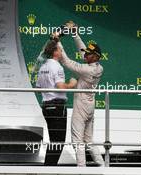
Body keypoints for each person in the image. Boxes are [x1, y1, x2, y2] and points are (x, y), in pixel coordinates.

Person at [54, 21, 105, 167]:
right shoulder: (98, 67)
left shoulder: (87, 70)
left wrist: (58, 42)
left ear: (95, 57)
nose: (85, 55)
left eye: (89, 54)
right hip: (89, 105)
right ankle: (103, 167)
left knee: (77, 140)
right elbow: (83, 50)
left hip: (82, 106)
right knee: (88, 141)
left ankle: (81, 169)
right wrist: (75, 34)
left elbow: (67, 62)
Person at [36, 39, 77, 166]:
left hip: (46, 106)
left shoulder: (43, 66)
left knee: (55, 141)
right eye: (60, 49)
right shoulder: (57, 66)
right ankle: (49, 169)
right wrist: (72, 84)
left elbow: (37, 88)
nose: (62, 51)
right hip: (57, 107)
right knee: (58, 141)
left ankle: (48, 168)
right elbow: (60, 86)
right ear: (55, 52)